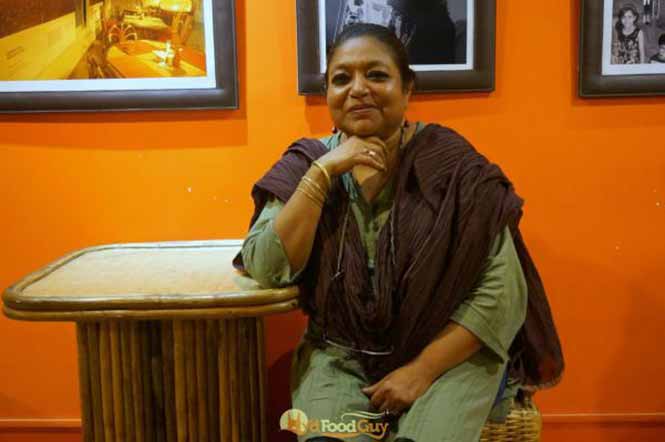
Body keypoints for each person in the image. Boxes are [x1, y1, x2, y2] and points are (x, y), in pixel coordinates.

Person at [234, 23, 563, 442]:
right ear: (327, 94)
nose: (358, 89)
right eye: (342, 78)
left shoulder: (453, 166)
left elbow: (502, 293)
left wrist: (421, 370)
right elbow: (267, 266)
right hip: (339, 355)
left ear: (407, 89)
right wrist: (322, 174)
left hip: (448, 356)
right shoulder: (306, 163)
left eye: (376, 75)